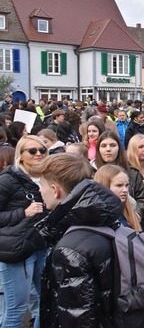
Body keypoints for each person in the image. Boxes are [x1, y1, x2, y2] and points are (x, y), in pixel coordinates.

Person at [32, 153, 122, 327]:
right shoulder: (100, 219)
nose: (39, 191)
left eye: (41, 185)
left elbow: (78, 316)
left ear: (55, 189)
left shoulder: (70, 250)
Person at [0, 136, 48, 328]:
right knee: (17, 309)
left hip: (41, 246)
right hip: (17, 251)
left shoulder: (47, 176)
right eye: (32, 151)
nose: (38, 154)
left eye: (42, 150)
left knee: (46, 303)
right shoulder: (8, 179)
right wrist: (23, 213)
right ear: (20, 155)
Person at [94, 164, 141, 231]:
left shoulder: (129, 209)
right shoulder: (96, 215)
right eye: (119, 185)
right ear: (104, 186)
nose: (125, 190)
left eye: (127, 185)